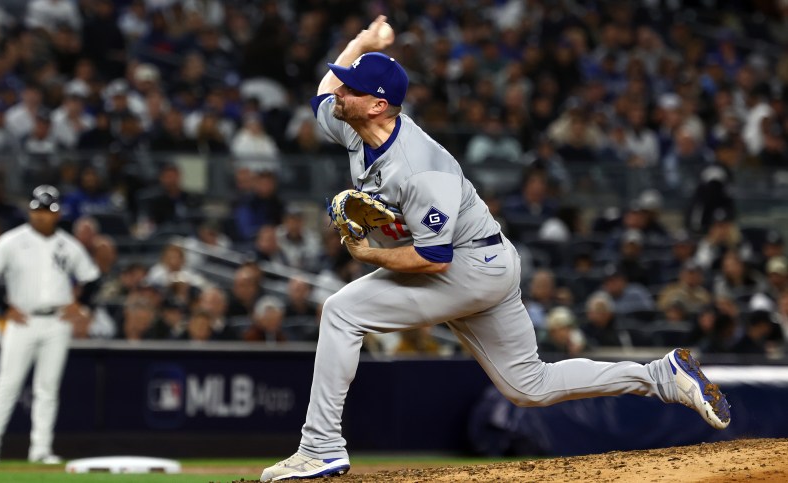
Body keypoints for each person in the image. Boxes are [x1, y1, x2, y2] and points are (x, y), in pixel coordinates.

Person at [260, 17, 730, 482]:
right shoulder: (355, 127)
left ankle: (320, 447)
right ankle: (661, 376)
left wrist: (370, 255)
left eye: (352, 89)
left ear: (379, 105)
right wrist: (362, 41)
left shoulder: (421, 170)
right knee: (530, 386)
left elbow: (432, 259)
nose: (340, 95)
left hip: (465, 266)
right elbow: (321, 93)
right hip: (489, 260)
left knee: (342, 311)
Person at [0, 185, 101, 465]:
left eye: (49, 211)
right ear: (31, 211)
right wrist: (4, 307)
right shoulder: (13, 240)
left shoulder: (68, 244)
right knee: (7, 385)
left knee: (48, 388)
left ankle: (41, 449)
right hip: (23, 320)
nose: (43, 216)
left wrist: (82, 306)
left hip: (57, 321)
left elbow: (92, 278)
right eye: (39, 210)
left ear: (57, 214)